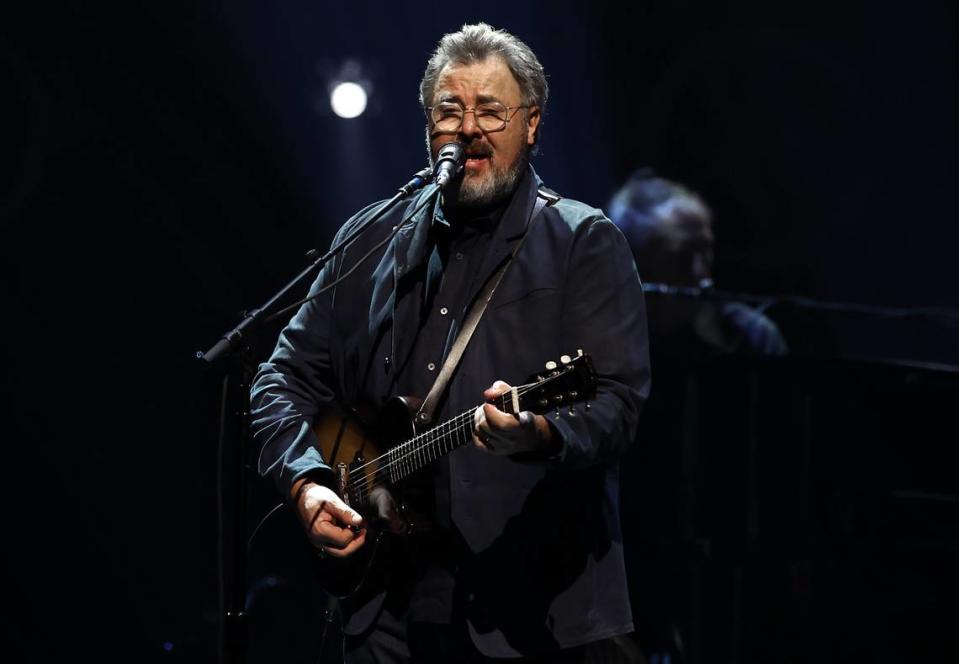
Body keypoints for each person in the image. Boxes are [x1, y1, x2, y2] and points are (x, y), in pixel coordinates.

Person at [250, 23, 651, 664]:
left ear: (532, 125)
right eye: (449, 111)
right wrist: (307, 483)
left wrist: (542, 434)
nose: (468, 128)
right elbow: (282, 378)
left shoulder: (582, 242)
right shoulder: (369, 238)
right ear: (427, 127)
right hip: (383, 609)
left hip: (527, 612)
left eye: (490, 111)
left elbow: (618, 403)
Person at [607, 169, 787, 357]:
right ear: (636, 262)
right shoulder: (599, 343)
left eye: (705, 250)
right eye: (682, 256)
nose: (702, 274)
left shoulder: (748, 334)